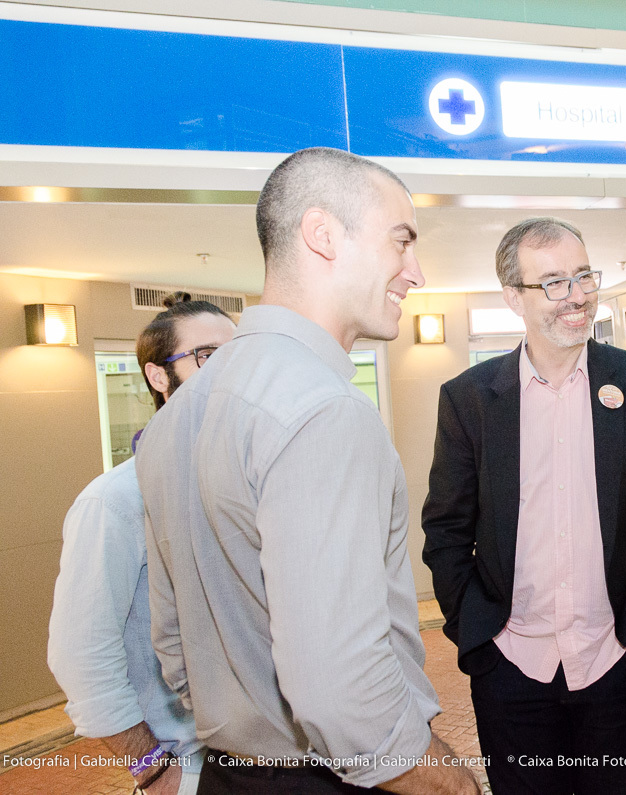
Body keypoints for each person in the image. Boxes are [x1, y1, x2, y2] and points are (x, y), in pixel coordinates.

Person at [136, 147, 479, 795]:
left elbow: (173, 643)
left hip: (230, 774)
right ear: (322, 234)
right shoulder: (323, 410)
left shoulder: (176, 417)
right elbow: (338, 688)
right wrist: (447, 781)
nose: (416, 271)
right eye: (401, 240)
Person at [422, 217, 626, 794]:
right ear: (513, 298)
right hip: (511, 669)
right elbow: (446, 530)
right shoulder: (470, 399)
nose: (576, 296)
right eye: (553, 283)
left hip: (613, 663)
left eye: (583, 276)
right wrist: (480, 639)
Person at [48, 293, 235, 794]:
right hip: (191, 769)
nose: (230, 372)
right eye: (207, 356)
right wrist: (154, 769)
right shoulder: (115, 501)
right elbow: (81, 654)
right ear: (158, 377)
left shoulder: (243, 485)